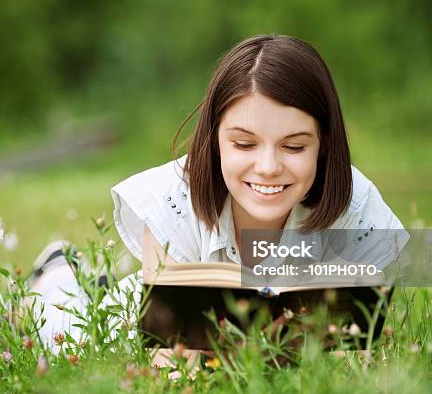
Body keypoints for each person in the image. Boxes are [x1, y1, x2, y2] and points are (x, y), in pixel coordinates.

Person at [26, 34, 408, 362]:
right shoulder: (172, 198)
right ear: (215, 142)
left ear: (323, 146)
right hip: (126, 318)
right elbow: (166, 355)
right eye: (244, 143)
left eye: (293, 147)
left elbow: (359, 343)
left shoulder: (356, 208)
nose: (268, 166)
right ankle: (56, 274)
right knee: (61, 329)